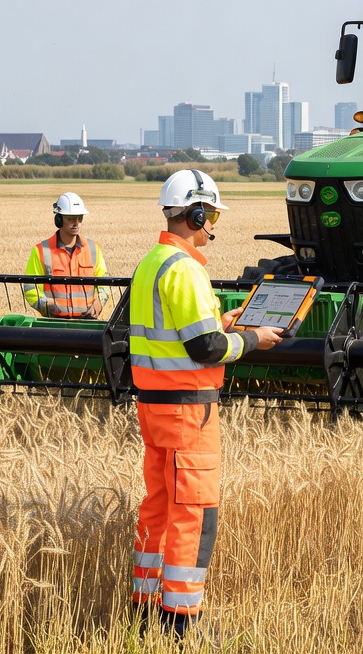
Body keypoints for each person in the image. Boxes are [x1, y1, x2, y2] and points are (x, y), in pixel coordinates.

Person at [128, 169, 284, 637]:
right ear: (195, 214)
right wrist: (253, 339)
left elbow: (181, 331)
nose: (213, 224)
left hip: (154, 406)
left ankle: (144, 610)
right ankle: (182, 622)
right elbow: (206, 349)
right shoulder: (185, 268)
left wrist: (223, 320)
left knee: (159, 506)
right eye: (211, 215)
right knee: (195, 513)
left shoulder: (152, 263)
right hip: (189, 411)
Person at [22, 192, 109, 318]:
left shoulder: (93, 249)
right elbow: (30, 288)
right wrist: (47, 306)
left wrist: (98, 304)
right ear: (58, 220)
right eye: (70, 218)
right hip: (55, 323)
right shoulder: (41, 251)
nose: (76, 223)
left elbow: (105, 284)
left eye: (79, 218)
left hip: (88, 322)